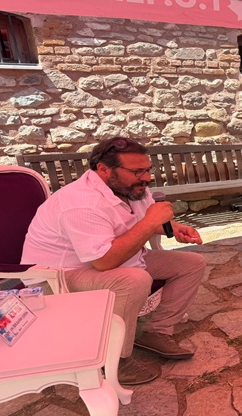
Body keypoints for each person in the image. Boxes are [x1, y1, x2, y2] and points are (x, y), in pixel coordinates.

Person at [22, 138, 206, 386]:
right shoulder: (80, 202)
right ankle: (114, 359)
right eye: (137, 171)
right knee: (134, 280)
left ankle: (155, 331)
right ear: (104, 170)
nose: (146, 178)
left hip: (109, 260)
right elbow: (104, 261)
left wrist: (173, 228)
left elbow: (140, 221)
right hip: (58, 276)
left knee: (191, 264)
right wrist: (150, 222)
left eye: (147, 169)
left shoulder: (130, 187)